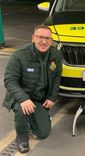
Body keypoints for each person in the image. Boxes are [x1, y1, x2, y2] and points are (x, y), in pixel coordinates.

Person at [3, 25, 62, 153]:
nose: (44, 41)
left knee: (43, 133)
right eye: (40, 37)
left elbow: (57, 77)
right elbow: (9, 80)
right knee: (22, 108)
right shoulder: (19, 55)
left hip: (39, 98)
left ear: (51, 41)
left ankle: (33, 115)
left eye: (47, 38)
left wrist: (52, 97)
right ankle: (22, 136)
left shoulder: (55, 54)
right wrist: (24, 99)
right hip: (22, 96)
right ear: (33, 38)